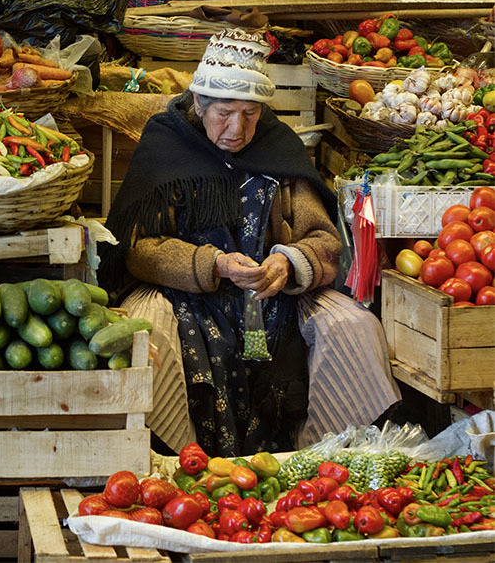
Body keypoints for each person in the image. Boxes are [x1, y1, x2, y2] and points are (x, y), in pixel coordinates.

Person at [100, 29, 397, 456]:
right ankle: (175, 462)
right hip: (182, 292)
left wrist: (289, 263)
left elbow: (324, 242)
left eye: (250, 113)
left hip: (276, 297)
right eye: (224, 112)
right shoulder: (167, 144)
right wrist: (213, 264)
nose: (237, 129)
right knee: (146, 334)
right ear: (199, 103)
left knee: (354, 326)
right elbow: (137, 248)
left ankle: (317, 459)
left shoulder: (279, 149)